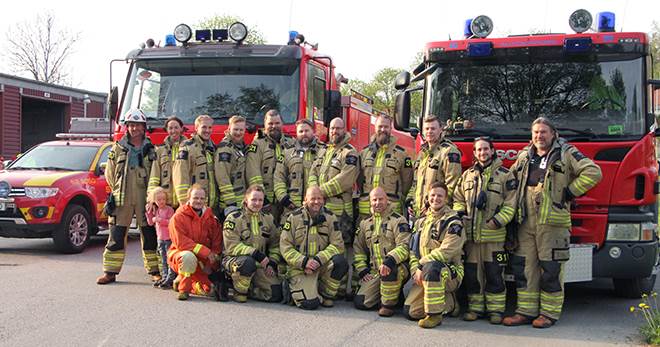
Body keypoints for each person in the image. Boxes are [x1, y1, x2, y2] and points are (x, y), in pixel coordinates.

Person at [503, 117, 602, 328]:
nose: (539, 136)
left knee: (550, 269)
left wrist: (570, 191)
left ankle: (549, 314)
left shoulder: (566, 153)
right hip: (525, 220)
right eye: (536, 132)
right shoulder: (523, 155)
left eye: (543, 132)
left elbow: (594, 172)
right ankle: (525, 311)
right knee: (524, 268)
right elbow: (509, 178)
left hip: (553, 221)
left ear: (553, 134)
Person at [452, 137, 518, 324]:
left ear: (492, 150)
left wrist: (496, 222)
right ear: (474, 153)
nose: (483, 153)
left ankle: (496, 311)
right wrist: (459, 213)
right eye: (479, 150)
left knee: (494, 274)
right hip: (471, 237)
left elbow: (511, 204)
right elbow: (457, 197)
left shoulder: (505, 175)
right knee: (473, 275)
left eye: (486, 149)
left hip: (494, 237)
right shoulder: (467, 175)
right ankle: (475, 309)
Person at [97, 109, 160, 285]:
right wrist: (117, 191)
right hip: (122, 197)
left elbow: (156, 172)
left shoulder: (151, 149)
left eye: (138, 125)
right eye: (131, 125)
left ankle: (155, 271)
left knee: (149, 235)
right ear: (127, 127)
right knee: (116, 235)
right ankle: (110, 272)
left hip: (144, 196)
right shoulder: (117, 148)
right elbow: (110, 173)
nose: (135, 129)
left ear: (144, 127)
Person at [404, 182, 465, 329]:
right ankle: (447, 301)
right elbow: (413, 250)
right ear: (427, 197)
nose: (435, 199)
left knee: (433, 267)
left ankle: (436, 315)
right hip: (425, 273)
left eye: (440, 196)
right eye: (433, 195)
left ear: (446, 199)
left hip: (450, 271)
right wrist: (415, 270)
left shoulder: (453, 222)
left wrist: (421, 265)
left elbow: (446, 252)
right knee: (410, 311)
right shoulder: (421, 221)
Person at [280, 186, 348, 310]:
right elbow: (285, 247)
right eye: (313, 199)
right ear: (305, 199)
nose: (316, 202)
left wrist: (318, 260)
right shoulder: (294, 218)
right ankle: (302, 291)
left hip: (320, 266)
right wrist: (304, 262)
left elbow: (338, 245)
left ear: (323, 200)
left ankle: (326, 295)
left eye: (319, 198)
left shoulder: (330, 217)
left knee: (340, 262)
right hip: (300, 268)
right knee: (310, 304)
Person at [353, 187, 411, 317]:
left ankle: (388, 305)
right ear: (370, 202)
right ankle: (395, 296)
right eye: (374, 200)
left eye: (381, 199)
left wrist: (390, 260)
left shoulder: (398, 220)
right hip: (375, 271)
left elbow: (405, 246)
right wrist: (363, 270)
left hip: (396, 267)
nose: (377, 203)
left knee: (390, 272)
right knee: (361, 302)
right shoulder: (365, 223)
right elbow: (359, 249)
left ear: (387, 200)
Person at [222, 185, 283, 303]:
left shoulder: (268, 218)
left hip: (260, 264)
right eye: (253, 200)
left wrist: (272, 262)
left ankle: (249, 288)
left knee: (275, 294)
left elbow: (275, 244)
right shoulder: (234, 218)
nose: (257, 203)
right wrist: (255, 254)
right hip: (234, 261)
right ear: (246, 199)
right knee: (247, 263)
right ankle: (238, 290)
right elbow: (231, 246)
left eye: (260, 200)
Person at [168, 184, 223, 300]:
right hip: (181, 255)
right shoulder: (178, 217)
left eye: (202, 198)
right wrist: (206, 252)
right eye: (195, 198)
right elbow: (182, 243)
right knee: (189, 257)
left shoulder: (211, 218)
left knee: (211, 290)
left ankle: (179, 280)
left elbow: (216, 243)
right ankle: (183, 290)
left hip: (203, 260)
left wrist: (210, 264)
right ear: (189, 198)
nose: (199, 201)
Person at [309, 117, 359, 243]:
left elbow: (345, 180)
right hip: (320, 209)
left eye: (338, 128)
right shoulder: (324, 150)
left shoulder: (349, 153)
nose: (334, 131)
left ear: (344, 130)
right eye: (332, 128)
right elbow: (312, 172)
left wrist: (317, 193)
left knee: (339, 249)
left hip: (340, 214)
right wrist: (314, 191)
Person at [358, 115, 413, 220]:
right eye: (380, 126)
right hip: (366, 213)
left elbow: (407, 181)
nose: (383, 130)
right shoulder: (364, 153)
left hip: (391, 214)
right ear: (375, 127)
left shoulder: (403, 155)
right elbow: (359, 180)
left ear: (391, 129)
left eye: (386, 127)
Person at [407, 116, 462, 217]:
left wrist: (433, 204)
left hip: (438, 213)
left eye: (433, 128)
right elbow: (415, 181)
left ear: (441, 129)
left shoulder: (449, 151)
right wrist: (410, 200)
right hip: (419, 213)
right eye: (427, 129)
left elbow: (452, 185)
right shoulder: (422, 153)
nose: (429, 131)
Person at [245, 109, 295, 221]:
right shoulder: (257, 144)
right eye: (270, 123)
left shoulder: (291, 142)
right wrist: (263, 199)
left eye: (277, 123)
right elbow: (253, 172)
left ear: (282, 124)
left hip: (288, 201)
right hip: (267, 202)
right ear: (265, 125)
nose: (274, 126)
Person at [273, 119, 323, 222]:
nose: (304, 134)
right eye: (300, 131)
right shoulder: (287, 153)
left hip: (315, 208)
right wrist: (284, 199)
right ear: (296, 133)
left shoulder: (323, 151)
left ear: (313, 131)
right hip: (291, 208)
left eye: (307, 131)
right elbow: (278, 178)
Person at [172, 115, 217, 209]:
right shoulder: (187, 147)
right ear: (196, 128)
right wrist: (184, 204)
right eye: (204, 127)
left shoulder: (214, 148)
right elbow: (180, 177)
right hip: (193, 205)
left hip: (210, 206)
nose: (207, 130)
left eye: (210, 127)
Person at [148, 116, 187, 208]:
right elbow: (154, 176)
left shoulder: (189, 149)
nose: (173, 131)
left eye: (176, 127)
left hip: (184, 201)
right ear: (166, 130)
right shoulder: (160, 151)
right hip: (165, 203)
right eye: (170, 128)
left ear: (181, 129)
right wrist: (151, 199)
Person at [215, 115, 248, 214]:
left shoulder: (240, 147)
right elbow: (222, 178)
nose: (238, 133)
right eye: (235, 129)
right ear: (229, 129)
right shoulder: (225, 149)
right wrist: (230, 203)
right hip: (229, 204)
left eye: (241, 130)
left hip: (241, 201)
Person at [145, 187, 176, 289]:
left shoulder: (169, 210)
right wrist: (149, 213)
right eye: (158, 200)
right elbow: (150, 223)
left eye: (163, 199)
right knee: (162, 259)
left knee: (169, 258)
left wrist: (159, 220)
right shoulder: (157, 210)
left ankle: (171, 278)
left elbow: (171, 222)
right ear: (154, 201)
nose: (161, 202)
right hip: (160, 239)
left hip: (168, 239)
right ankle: (165, 276)